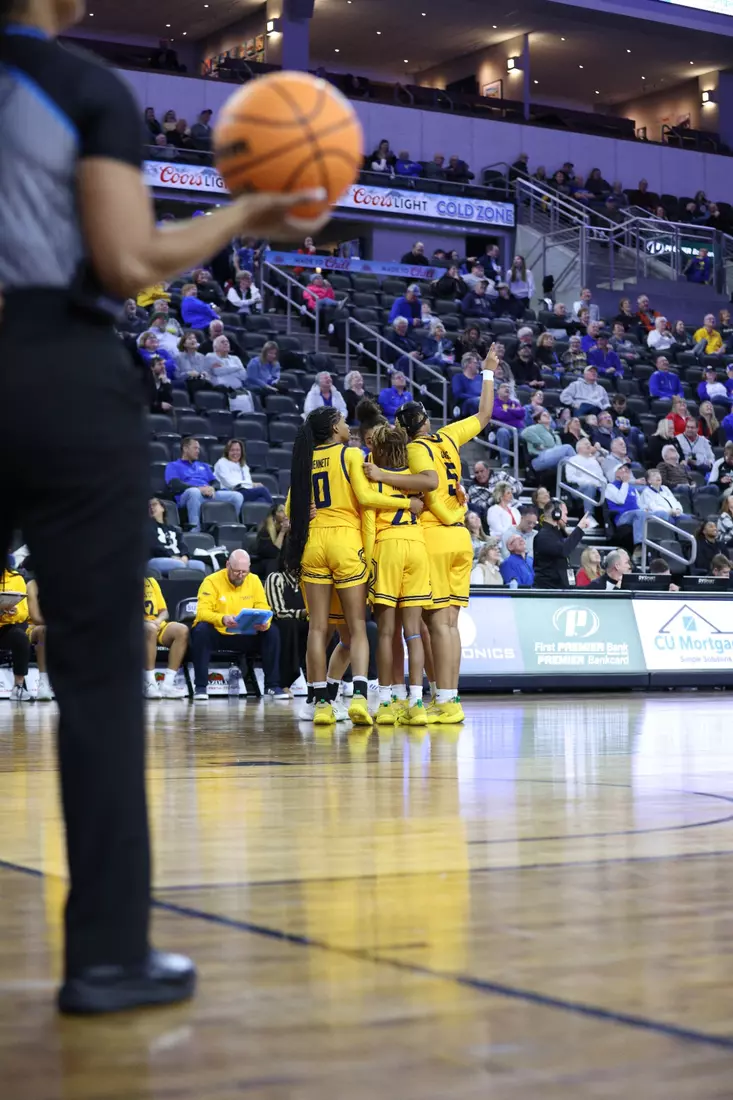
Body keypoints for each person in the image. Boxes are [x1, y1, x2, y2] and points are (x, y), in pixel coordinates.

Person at [0, 0, 331, 1017]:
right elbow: (127, 261)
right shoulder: (82, 88)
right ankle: (106, 957)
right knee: (99, 670)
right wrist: (243, 214)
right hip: (54, 365)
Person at [363, 356, 496, 723]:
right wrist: (488, 372)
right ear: (428, 420)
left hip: (434, 536)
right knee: (448, 626)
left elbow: (428, 483)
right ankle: (449, 699)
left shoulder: (415, 449)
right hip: (462, 537)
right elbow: (485, 415)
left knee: (431, 626)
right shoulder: (449, 435)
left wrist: (384, 477)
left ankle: (439, 698)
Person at [285, 408, 418, 726]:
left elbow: (291, 509)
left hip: (314, 545)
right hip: (345, 542)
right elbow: (365, 496)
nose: (348, 426)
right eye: (343, 421)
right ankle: (358, 696)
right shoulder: (350, 455)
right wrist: (406, 503)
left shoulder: (304, 459)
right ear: (334, 428)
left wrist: (310, 511)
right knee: (357, 627)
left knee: (317, 629)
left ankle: (319, 703)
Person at [361, 423, 432, 728]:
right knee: (413, 632)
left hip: (387, 546)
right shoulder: (415, 478)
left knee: (387, 633)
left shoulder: (372, 475)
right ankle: (416, 703)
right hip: (417, 546)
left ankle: (388, 702)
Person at [190, 550, 286, 700]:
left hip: (246, 633)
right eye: (236, 572)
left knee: (272, 631)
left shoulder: (254, 580)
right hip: (220, 632)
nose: (240, 575)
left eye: (244, 572)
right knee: (201, 630)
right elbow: (202, 613)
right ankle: (201, 687)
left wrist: (264, 623)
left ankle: (272, 686)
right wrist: (222, 618)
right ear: (228, 564)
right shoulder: (211, 581)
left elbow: (264, 607)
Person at [165, 437, 245, 532]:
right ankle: (195, 531)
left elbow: (216, 483)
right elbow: (174, 484)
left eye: (198, 448)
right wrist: (199, 488)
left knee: (237, 496)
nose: (198, 451)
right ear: (185, 449)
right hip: (187, 495)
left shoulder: (204, 466)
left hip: (207, 493)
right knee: (194, 492)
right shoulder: (173, 465)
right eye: (195, 448)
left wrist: (212, 488)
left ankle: (228, 529)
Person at [264, 551, 309, 695]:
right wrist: (303, 613)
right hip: (280, 623)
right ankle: (283, 682)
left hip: (304, 621)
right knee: (288, 624)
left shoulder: (308, 581)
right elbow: (277, 612)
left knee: (326, 627)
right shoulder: (276, 578)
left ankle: (329, 681)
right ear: (286, 563)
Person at [142, 576, 189, 699]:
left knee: (182, 630)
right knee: (149, 629)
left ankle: (167, 685)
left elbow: (164, 612)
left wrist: (157, 621)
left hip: (156, 625)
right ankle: (149, 683)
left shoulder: (151, 582)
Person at [533, 501, 592, 589]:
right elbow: (563, 550)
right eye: (565, 514)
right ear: (557, 514)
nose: (567, 519)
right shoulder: (543, 536)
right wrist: (580, 528)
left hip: (559, 589)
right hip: (548, 592)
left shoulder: (556, 533)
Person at [147, 497, 206, 575]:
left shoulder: (173, 529)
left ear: (162, 508)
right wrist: (171, 556)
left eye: (154, 504)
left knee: (199, 565)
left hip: (177, 558)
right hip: (157, 558)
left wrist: (185, 556)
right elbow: (154, 546)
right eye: (149, 506)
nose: (151, 507)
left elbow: (182, 545)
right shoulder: (147, 527)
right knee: (179, 565)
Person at [0, 561, 31, 700]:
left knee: (20, 637)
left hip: (4, 626)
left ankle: (18, 686)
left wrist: (11, 612)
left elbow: (23, 613)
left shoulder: (16, 578)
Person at [605, 462, 655, 550]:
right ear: (615, 473)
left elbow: (640, 505)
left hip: (637, 515)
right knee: (640, 513)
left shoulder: (632, 489)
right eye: (621, 469)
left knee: (658, 514)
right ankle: (638, 545)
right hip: (622, 517)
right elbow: (620, 500)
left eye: (627, 470)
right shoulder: (610, 487)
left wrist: (646, 509)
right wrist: (625, 483)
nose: (625, 471)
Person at [213, 438, 273, 505]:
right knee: (262, 490)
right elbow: (229, 482)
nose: (235, 453)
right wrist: (251, 484)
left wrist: (250, 484)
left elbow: (248, 480)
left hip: (244, 491)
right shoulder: (222, 463)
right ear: (227, 452)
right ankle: (275, 512)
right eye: (232, 450)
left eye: (238, 450)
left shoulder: (243, 465)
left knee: (261, 501)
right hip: (230, 492)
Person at [254, 502, 290, 577]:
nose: (285, 513)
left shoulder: (288, 529)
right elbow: (273, 554)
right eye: (281, 511)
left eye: (285, 510)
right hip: (264, 564)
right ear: (274, 515)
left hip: (280, 564)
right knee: (273, 562)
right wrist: (282, 532)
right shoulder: (265, 530)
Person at [492, 383, 525, 463]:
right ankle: (505, 462)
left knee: (528, 433)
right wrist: (514, 412)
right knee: (502, 432)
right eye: (503, 387)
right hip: (504, 428)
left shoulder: (514, 403)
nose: (507, 389)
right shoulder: (494, 402)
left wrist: (509, 410)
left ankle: (527, 463)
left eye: (508, 387)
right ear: (498, 391)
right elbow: (500, 415)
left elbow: (522, 413)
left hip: (519, 428)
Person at [466, 460, 492, 528]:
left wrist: (508, 490)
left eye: (482, 471)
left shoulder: (501, 475)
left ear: (488, 470)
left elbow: (519, 486)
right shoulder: (473, 488)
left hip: (511, 505)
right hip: (490, 510)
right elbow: (479, 505)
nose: (479, 474)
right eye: (477, 472)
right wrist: (495, 499)